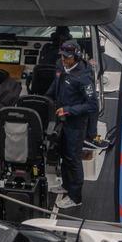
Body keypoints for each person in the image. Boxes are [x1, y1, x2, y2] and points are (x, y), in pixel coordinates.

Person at [46, 40, 98, 211]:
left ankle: (76, 197)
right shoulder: (60, 66)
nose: (64, 60)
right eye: (62, 56)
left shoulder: (84, 77)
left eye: (67, 57)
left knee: (73, 158)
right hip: (61, 121)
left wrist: (69, 110)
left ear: (75, 57)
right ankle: (67, 186)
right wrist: (46, 99)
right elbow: (56, 84)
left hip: (75, 124)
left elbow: (92, 106)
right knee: (63, 155)